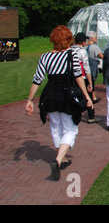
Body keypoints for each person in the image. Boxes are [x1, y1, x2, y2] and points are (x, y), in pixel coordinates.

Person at [25, 25, 92, 181]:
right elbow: (78, 76)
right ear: (68, 39)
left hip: (50, 95)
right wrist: (86, 96)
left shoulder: (45, 56)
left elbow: (37, 79)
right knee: (70, 129)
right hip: (66, 94)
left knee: (55, 126)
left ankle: (62, 159)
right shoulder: (71, 55)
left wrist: (29, 100)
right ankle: (58, 159)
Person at [71, 33, 98, 124]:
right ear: (83, 42)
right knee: (88, 95)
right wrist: (90, 82)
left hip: (72, 77)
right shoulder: (82, 51)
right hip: (82, 77)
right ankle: (91, 116)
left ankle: (73, 113)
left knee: (74, 95)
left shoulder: (70, 50)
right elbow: (86, 68)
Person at [85, 31, 103, 104]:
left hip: (85, 66)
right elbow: (101, 56)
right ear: (91, 38)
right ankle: (92, 98)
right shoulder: (94, 47)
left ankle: (93, 97)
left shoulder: (84, 46)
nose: (97, 38)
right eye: (95, 37)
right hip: (92, 67)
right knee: (92, 82)